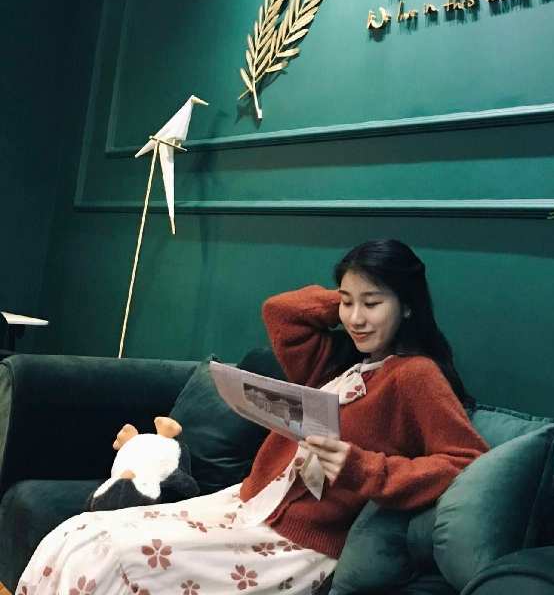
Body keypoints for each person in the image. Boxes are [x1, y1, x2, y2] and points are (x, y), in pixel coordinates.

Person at [17, 239, 488, 595]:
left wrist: (362, 468)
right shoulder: (339, 362)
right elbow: (281, 313)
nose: (356, 319)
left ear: (408, 306)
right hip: (248, 505)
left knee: (113, 556)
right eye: (348, 303)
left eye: (373, 303)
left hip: (299, 544)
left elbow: (466, 462)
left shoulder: (415, 375)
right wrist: (350, 295)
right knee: (79, 531)